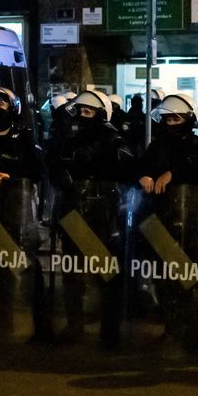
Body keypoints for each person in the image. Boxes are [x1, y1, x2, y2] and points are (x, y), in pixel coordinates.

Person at [47, 89, 135, 345]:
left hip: (102, 216)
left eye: (88, 111)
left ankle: (108, 329)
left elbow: (127, 165)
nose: (82, 116)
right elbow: (52, 163)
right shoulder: (68, 139)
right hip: (73, 213)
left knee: (104, 274)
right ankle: (75, 325)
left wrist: (102, 161)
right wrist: (59, 175)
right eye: (80, 111)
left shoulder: (113, 139)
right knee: (73, 274)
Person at [137, 93, 198, 353]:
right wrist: (144, 175)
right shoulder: (156, 146)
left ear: (188, 119)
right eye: (168, 118)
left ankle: (192, 330)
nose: (171, 122)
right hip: (162, 221)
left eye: (176, 118)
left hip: (193, 222)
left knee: (192, 278)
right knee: (166, 280)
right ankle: (172, 329)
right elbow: (140, 166)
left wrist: (174, 173)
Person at [0, 87, 46, 337]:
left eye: (3, 101)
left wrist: (12, 177)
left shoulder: (24, 135)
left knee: (21, 265)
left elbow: (37, 170)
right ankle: (5, 318)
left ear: (12, 106)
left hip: (18, 211)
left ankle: (38, 323)